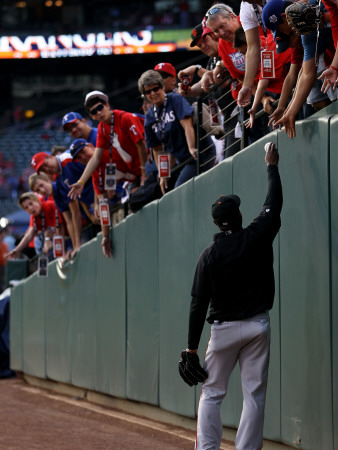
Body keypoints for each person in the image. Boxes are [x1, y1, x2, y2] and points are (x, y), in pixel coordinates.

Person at [181, 141, 282, 450]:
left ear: (215, 222)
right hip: (256, 326)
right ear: (238, 216)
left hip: (222, 331)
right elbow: (273, 204)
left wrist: (191, 348)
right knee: (254, 394)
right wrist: (272, 167)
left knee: (212, 393)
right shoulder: (256, 234)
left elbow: (198, 303)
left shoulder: (208, 255)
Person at [138, 70, 216, 195]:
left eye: (156, 89)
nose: (153, 93)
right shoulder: (150, 117)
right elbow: (157, 149)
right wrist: (162, 174)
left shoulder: (175, 99)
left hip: (200, 152)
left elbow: (187, 126)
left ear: (162, 87)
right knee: (167, 190)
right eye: (148, 91)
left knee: (179, 190)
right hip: (182, 160)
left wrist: (191, 148)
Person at [68, 90, 148, 200]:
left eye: (100, 108)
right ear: (92, 116)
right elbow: (98, 163)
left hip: (147, 164)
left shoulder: (122, 120)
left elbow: (141, 145)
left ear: (92, 146)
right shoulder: (103, 129)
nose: (99, 113)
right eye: (94, 112)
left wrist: (143, 174)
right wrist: (81, 182)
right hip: (132, 175)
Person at [6, 193, 64, 260]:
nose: (30, 208)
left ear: (38, 201)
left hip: (67, 238)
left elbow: (59, 228)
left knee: (39, 240)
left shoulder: (49, 205)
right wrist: (17, 250)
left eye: (31, 204)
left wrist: (47, 240)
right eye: (26, 208)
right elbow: (29, 236)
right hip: (56, 242)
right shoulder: (34, 217)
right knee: (38, 240)